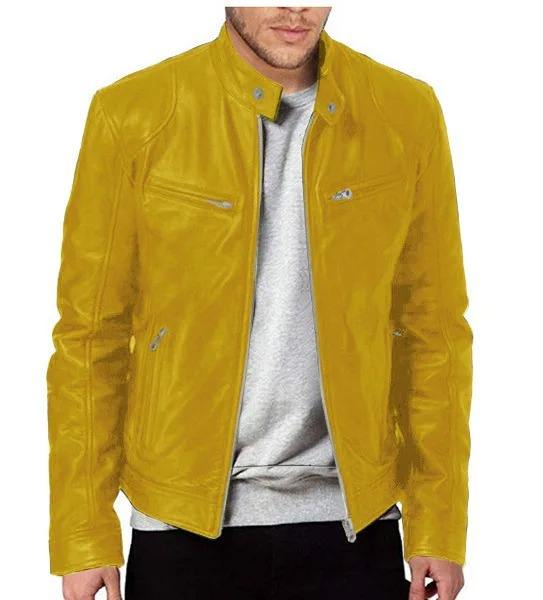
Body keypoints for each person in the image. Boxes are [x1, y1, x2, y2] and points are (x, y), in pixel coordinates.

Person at [47, 6, 473, 600]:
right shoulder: (134, 113)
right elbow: (90, 336)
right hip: (183, 526)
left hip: (354, 523)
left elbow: (434, 331)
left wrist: (439, 523)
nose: (295, 8)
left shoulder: (404, 111)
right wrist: (84, 531)